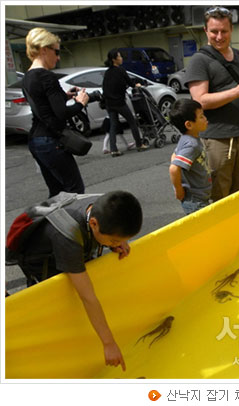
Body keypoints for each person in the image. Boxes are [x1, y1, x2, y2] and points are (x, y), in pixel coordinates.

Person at [15, 191, 143, 371]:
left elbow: (107, 232)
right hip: (41, 260)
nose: (117, 244)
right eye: (114, 240)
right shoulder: (68, 237)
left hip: (71, 242)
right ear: (94, 224)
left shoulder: (105, 207)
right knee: (62, 301)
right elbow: (87, 297)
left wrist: (117, 241)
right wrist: (109, 344)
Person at [186, 6, 239, 201]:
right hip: (218, 139)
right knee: (219, 193)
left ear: (231, 29)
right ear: (205, 31)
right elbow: (200, 101)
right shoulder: (200, 60)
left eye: (224, 31)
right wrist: (235, 92)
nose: (219, 36)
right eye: (214, 31)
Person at [23, 28, 89, 198]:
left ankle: (53, 216)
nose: (58, 57)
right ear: (44, 49)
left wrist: (63, 96)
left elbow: (42, 105)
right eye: (56, 52)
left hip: (36, 140)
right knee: (74, 191)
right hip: (52, 140)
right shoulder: (47, 76)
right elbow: (62, 113)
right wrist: (80, 103)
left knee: (56, 192)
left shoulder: (28, 76)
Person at [168, 99, 212, 215]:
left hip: (199, 197)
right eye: (201, 116)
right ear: (189, 124)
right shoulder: (192, 145)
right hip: (195, 200)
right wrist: (179, 190)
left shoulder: (187, 139)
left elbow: (174, 155)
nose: (205, 119)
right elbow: (173, 169)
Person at [102, 48, 148, 157]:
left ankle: (113, 149)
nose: (121, 58)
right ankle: (139, 144)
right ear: (114, 59)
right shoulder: (120, 70)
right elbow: (130, 82)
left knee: (113, 125)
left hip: (109, 103)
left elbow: (105, 87)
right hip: (119, 102)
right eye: (119, 56)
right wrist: (136, 85)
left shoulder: (107, 72)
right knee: (132, 121)